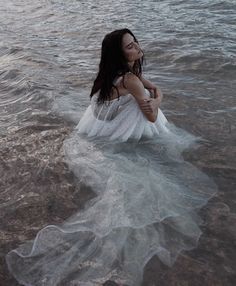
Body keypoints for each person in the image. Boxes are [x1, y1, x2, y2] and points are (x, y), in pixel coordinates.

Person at [6, 29, 216, 286]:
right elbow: (150, 114)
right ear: (120, 54)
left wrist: (150, 91)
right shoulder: (130, 80)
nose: (137, 46)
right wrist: (158, 98)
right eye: (129, 46)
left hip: (101, 124)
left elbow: (144, 84)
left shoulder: (118, 75)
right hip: (115, 130)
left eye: (135, 41)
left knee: (142, 101)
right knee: (146, 111)